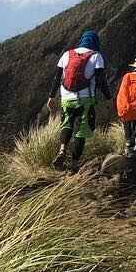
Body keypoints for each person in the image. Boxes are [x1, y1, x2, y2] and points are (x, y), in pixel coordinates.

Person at [47, 29, 111, 171]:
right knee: (81, 131)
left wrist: (51, 96)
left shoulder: (66, 54)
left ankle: (62, 149)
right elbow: (101, 80)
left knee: (67, 124)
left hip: (66, 97)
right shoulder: (96, 56)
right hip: (85, 100)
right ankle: (74, 164)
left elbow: (57, 78)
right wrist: (108, 97)